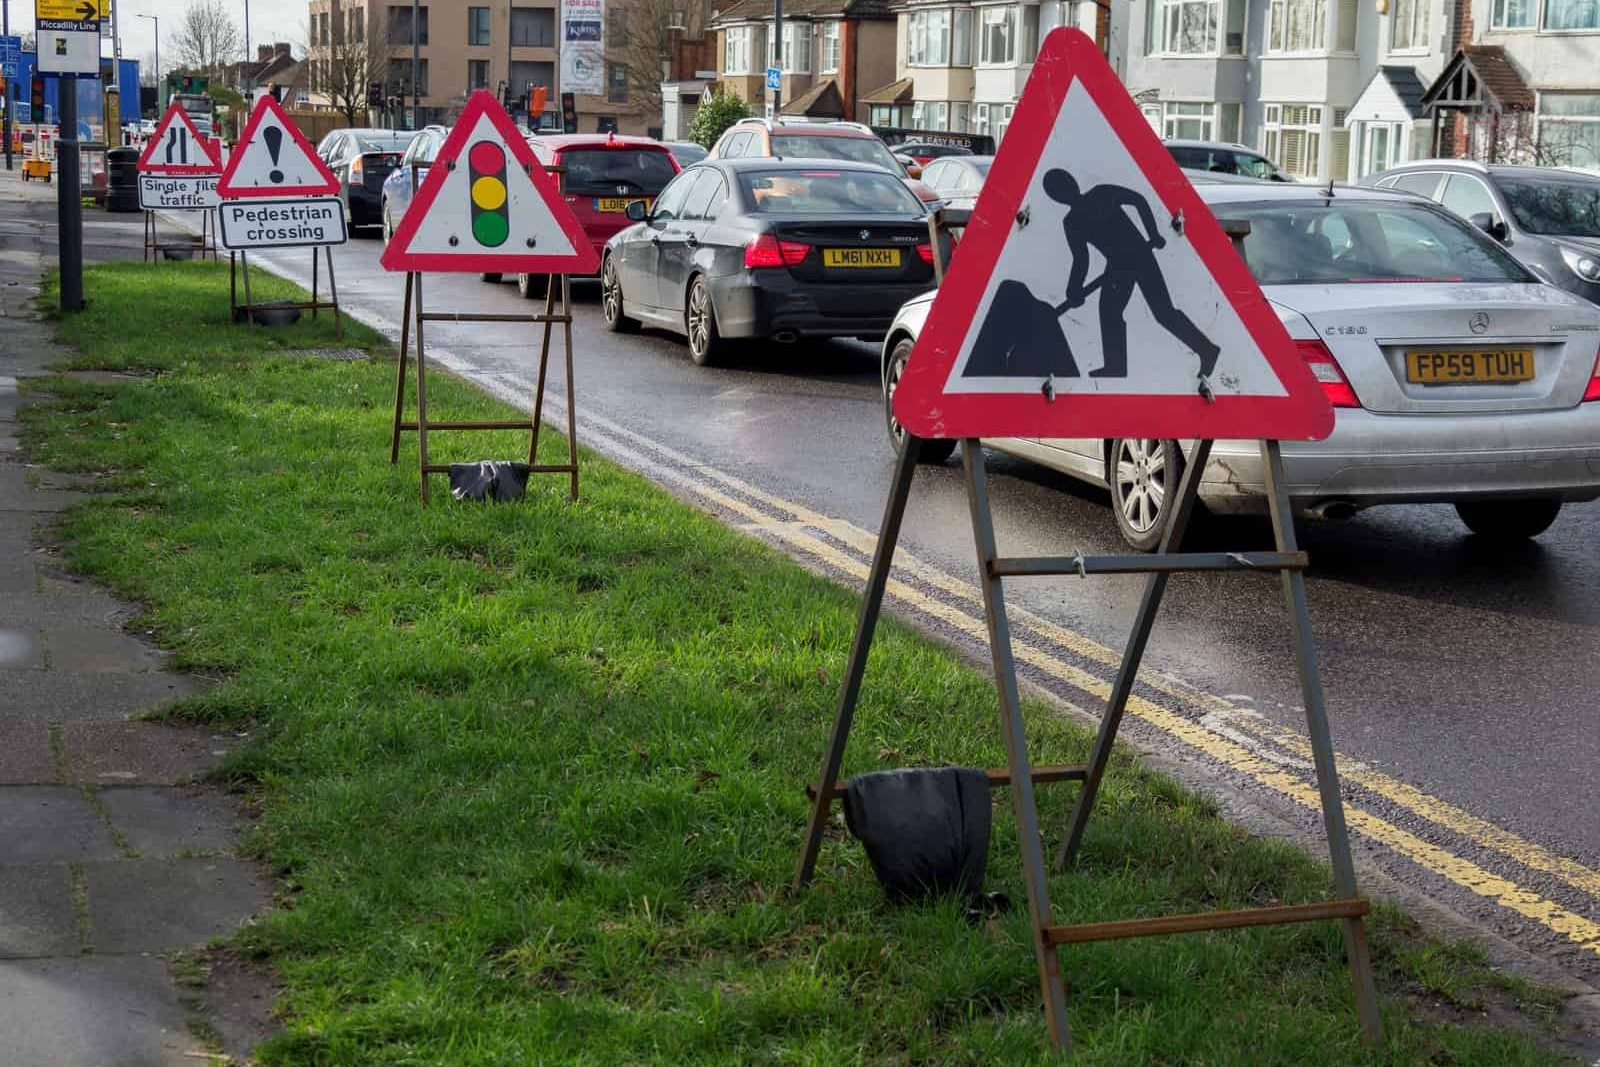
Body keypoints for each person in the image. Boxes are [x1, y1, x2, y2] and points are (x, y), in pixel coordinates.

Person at [1045, 168, 1220, 380]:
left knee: (1162, 312)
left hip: (1140, 256)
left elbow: (1138, 200)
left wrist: (1153, 233)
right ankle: (1115, 366)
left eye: (1061, 188)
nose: (1063, 193)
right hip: (1118, 267)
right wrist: (1073, 289)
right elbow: (1081, 259)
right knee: (1110, 312)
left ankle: (1207, 350)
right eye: (1057, 191)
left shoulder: (1100, 194)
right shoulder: (1073, 220)